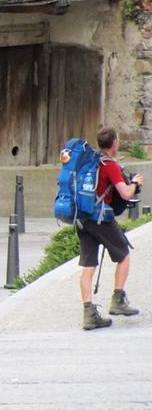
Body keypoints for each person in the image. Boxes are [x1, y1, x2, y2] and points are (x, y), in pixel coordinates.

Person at [78, 126, 143, 330]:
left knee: (88, 266)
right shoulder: (109, 165)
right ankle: (118, 300)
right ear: (114, 143)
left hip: (82, 218)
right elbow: (125, 194)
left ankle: (89, 314)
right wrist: (135, 183)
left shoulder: (88, 162)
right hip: (101, 219)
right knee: (123, 254)